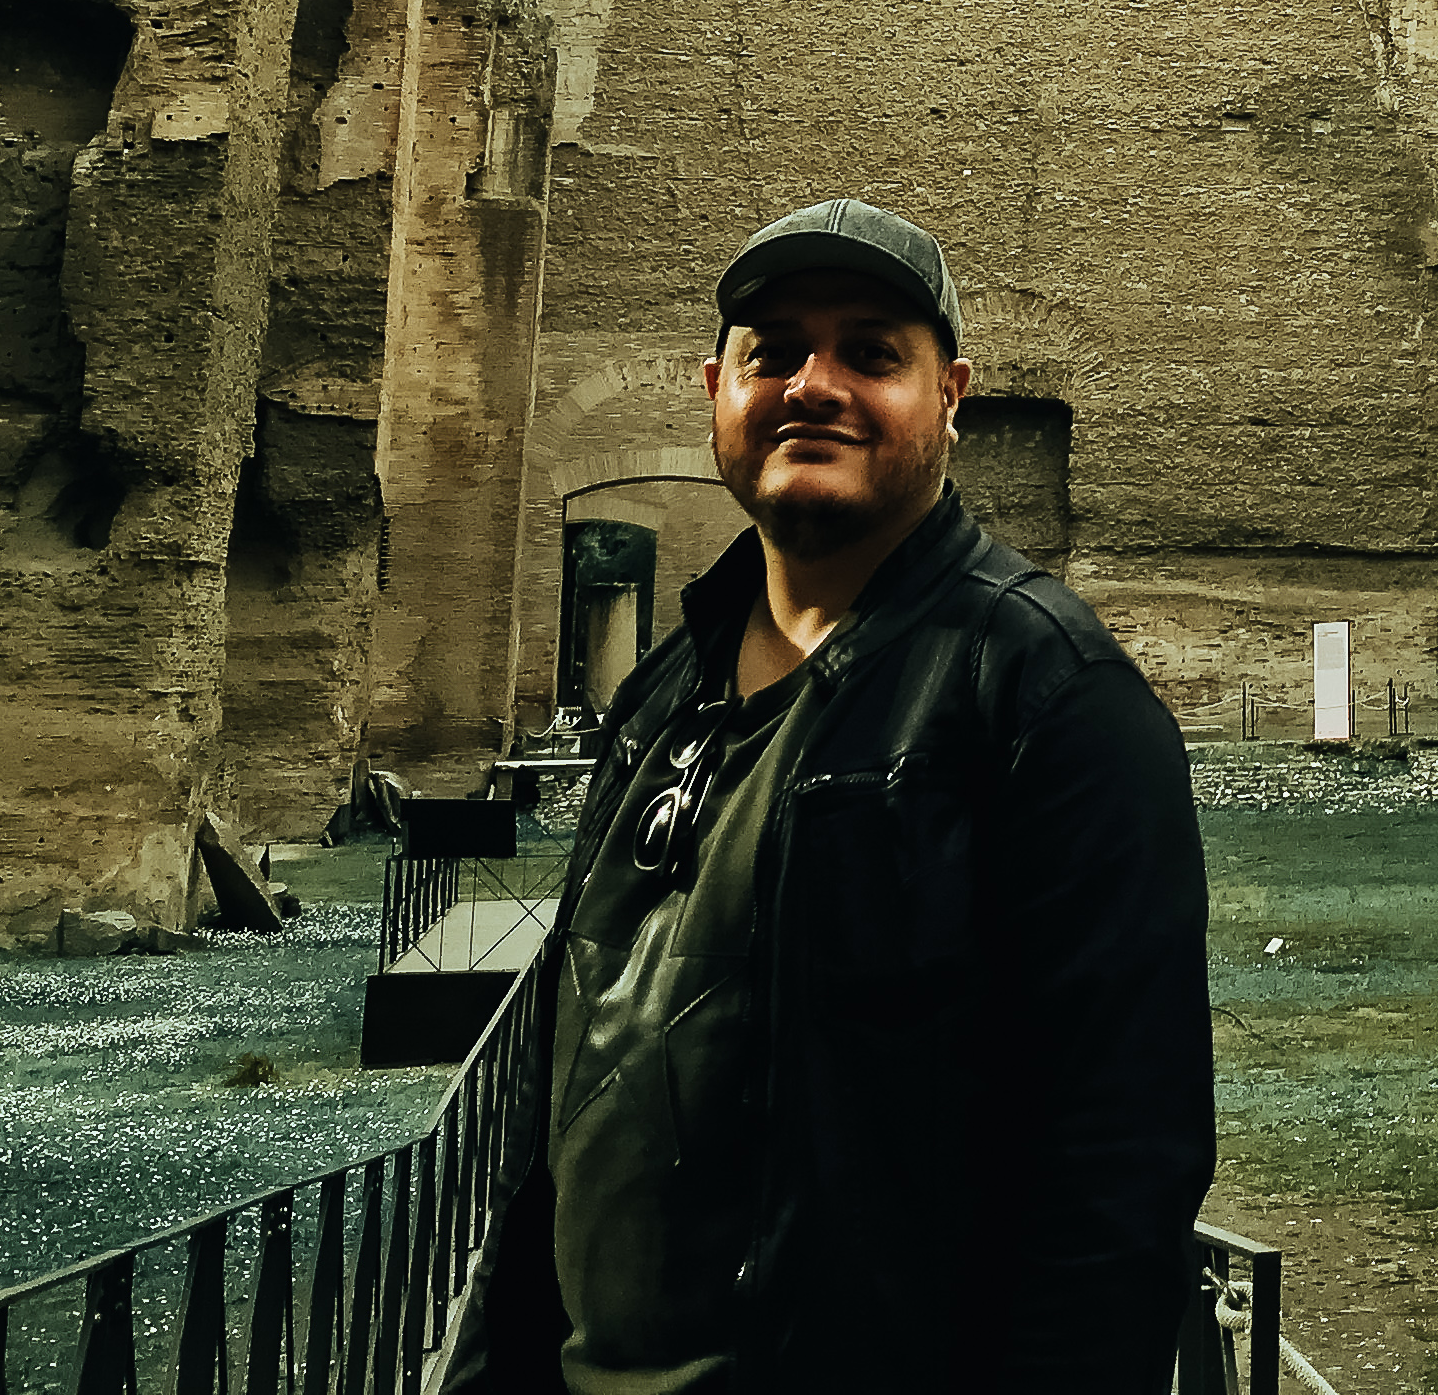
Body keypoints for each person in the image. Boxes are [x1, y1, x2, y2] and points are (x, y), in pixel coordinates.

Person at [453, 197, 1215, 1392]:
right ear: (717, 388)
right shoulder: (662, 694)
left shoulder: (1048, 700)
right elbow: (573, 1094)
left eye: (869, 352)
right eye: (775, 353)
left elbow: (1119, 1177)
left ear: (951, 397)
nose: (814, 385)